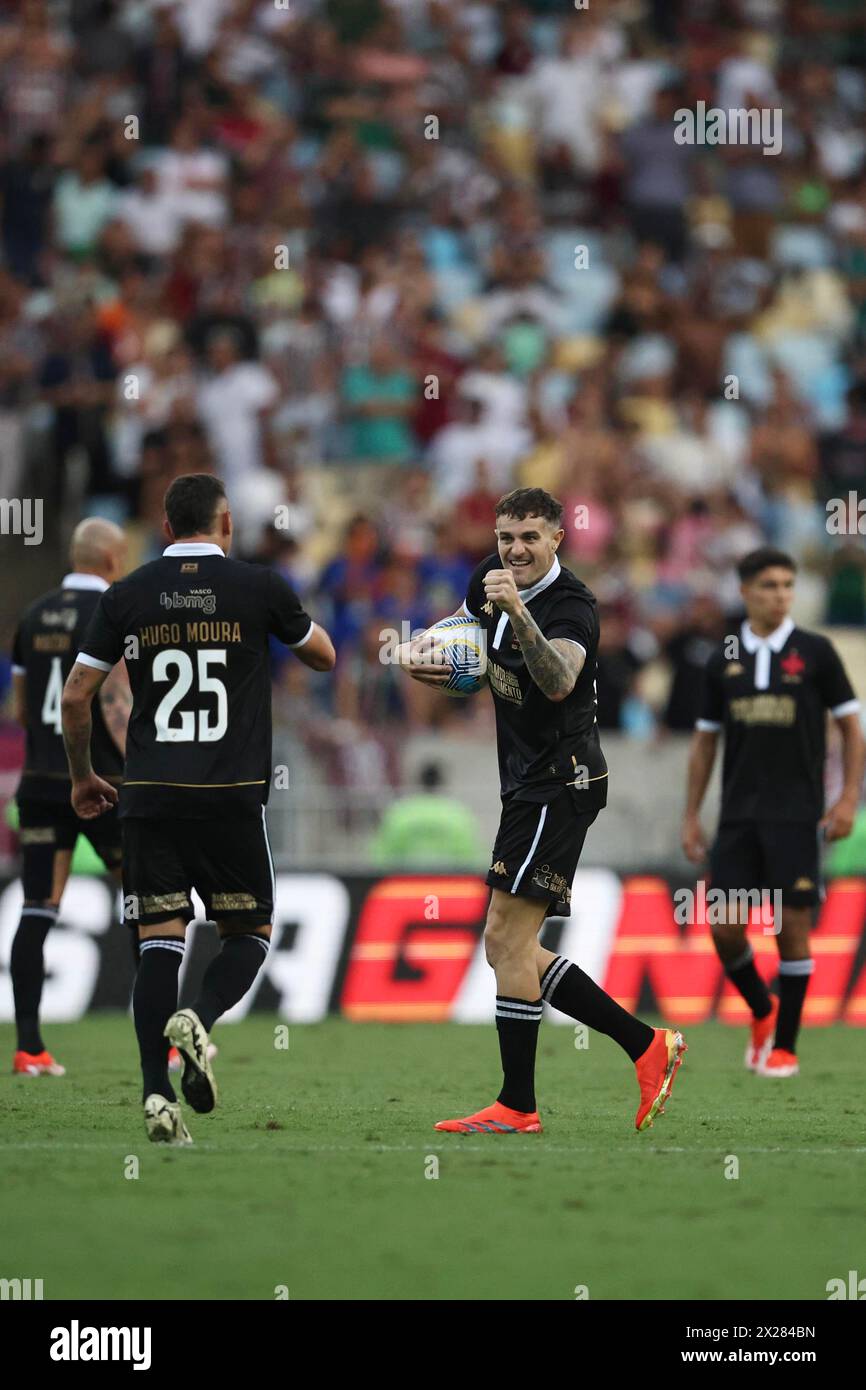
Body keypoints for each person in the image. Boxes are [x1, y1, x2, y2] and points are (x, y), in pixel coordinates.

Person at [402, 487, 687, 1134]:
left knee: (504, 940)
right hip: (526, 783)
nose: (516, 549)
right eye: (507, 537)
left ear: (559, 538)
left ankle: (519, 1105)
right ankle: (647, 1047)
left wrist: (516, 613)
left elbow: (558, 680)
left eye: (531, 536)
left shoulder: (573, 607)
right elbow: (463, 640)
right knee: (515, 947)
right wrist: (430, 660)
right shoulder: (489, 581)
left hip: (563, 781)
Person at [61, 474, 336, 1144]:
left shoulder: (127, 595)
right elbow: (323, 657)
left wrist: (83, 777)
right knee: (248, 935)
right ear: (226, 524)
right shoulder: (258, 586)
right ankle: (201, 1016)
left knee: (158, 941)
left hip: (149, 796)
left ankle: (157, 1098)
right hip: (229, 795)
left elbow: (76, 695)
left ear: (162, 528)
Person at [683, 547, 864, 1077]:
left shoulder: (816, 652)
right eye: (769, 586)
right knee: (725, 927)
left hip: (795, 815)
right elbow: (704, 743)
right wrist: (691, 814)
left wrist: (849, 796)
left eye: (788, 585)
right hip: (737, 816)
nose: (781, 594)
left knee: (792, 928)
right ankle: (763, 1010)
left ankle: (785, 1047)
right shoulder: (724, 658)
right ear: (745, 592)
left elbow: (852, 728)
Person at [9, 518, 129, 1076]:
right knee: (151, 908)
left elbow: (20, 708)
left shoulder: (32, 616)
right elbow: (120, 704)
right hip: (103, 782)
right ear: (111, 559)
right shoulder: (114, 611)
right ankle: (168, 1042)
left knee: (37, 909)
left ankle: (29, 1048)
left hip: (38, 782)